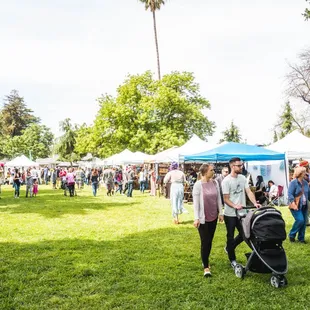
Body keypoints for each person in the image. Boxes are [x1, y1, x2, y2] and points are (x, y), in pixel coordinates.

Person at [222, 157, 261, 269]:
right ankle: (232, 259)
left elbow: (248, 191)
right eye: (239, 165)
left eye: (241, 165)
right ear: (232, 166)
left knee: (245, 234)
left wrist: (255, 202)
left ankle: (229, 247)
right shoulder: (226, 181)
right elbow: (225, 198)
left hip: (242, 213)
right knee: (230, 236)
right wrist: (235, 205)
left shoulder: (243, 178)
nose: (241, 167)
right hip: (230, 214)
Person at [193, 164, 224, 277]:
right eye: (211, 170)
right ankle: (206, 267)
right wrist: (196, 218)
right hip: (203, 218)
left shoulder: (215, 182)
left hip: (213, 216)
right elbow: (196, 204)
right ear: (205, 172)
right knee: (205, 242)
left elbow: (218, 199)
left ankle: (205, 258)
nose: (213, 172)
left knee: (209, 241)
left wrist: (220, 213)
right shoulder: (198, 185)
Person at [288, 166, 310, 243]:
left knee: (304, 223)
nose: (306, 173)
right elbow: (290, 194)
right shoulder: (293, 183)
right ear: (300, 173)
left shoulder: (306, 183)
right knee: (300, 220)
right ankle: (292, 235)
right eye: (304, 172)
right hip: (296, 205)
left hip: (304, 206)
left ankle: (301, 238)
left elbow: (309, 194)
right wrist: (293, 203)